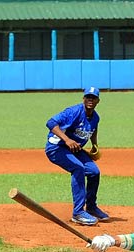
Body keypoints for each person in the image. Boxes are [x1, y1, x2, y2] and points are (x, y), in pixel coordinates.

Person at [45, 86, 107, 226]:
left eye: (93, 97)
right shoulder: (73, 111)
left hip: (74, 149)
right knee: (78, 168)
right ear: (83, 98)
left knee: (94, 172)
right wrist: (66, 139)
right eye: (88, 97)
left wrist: (94, 145)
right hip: (56, 148)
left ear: (98, 101)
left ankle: (91, 207)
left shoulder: (95, 117)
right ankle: (78, 213)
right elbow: (50, 122)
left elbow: (93, 129)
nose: (90, 100)